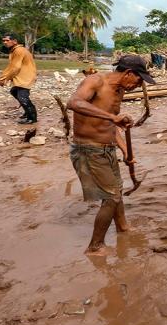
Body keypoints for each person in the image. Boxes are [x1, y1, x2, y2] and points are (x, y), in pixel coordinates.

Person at [66, 55, 155, 255]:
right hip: (88, 149)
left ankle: (123, 227)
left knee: (117, 191)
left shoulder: (119, 90)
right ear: (128, 74)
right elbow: (73, 102)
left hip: (107, 148)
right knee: (112, 197)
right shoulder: (96, 81)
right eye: (139, 80)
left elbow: (111, 125)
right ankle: (95, 246)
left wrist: (125, 150)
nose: (139, 85)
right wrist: (113, 117)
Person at [0, 34, 38, 124]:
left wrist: (4, 79)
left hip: (25, 77)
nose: (5, 42)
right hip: (22, 76)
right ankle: (28, 112)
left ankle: (32, 118)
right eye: (3, 40)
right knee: (14, 91)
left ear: (14, 41)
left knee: (22, 97)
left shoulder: (19, 50)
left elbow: (15, 68)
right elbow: (11, 67)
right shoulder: (15, 51)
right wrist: (2, 78)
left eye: (7, 40)